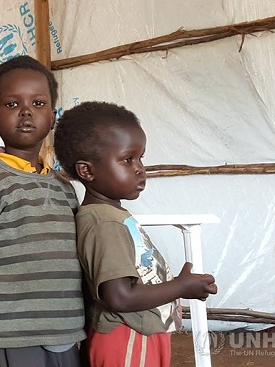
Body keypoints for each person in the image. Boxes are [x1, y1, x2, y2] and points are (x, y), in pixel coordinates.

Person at [53, 101, 218, 366]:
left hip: (139, 333)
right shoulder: (104, 223)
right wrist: (180, 286)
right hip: (127, 338)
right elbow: (119, 296)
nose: (140, 168)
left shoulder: (113, 215)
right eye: (128, 159)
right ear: (87, 171)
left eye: (141, 158)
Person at [0, 56, 86, 367]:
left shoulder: (65, 187)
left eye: (38, 103)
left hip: (67, 333)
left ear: (52, 116)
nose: (26, 112)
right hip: (12, 340)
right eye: (12, 104)